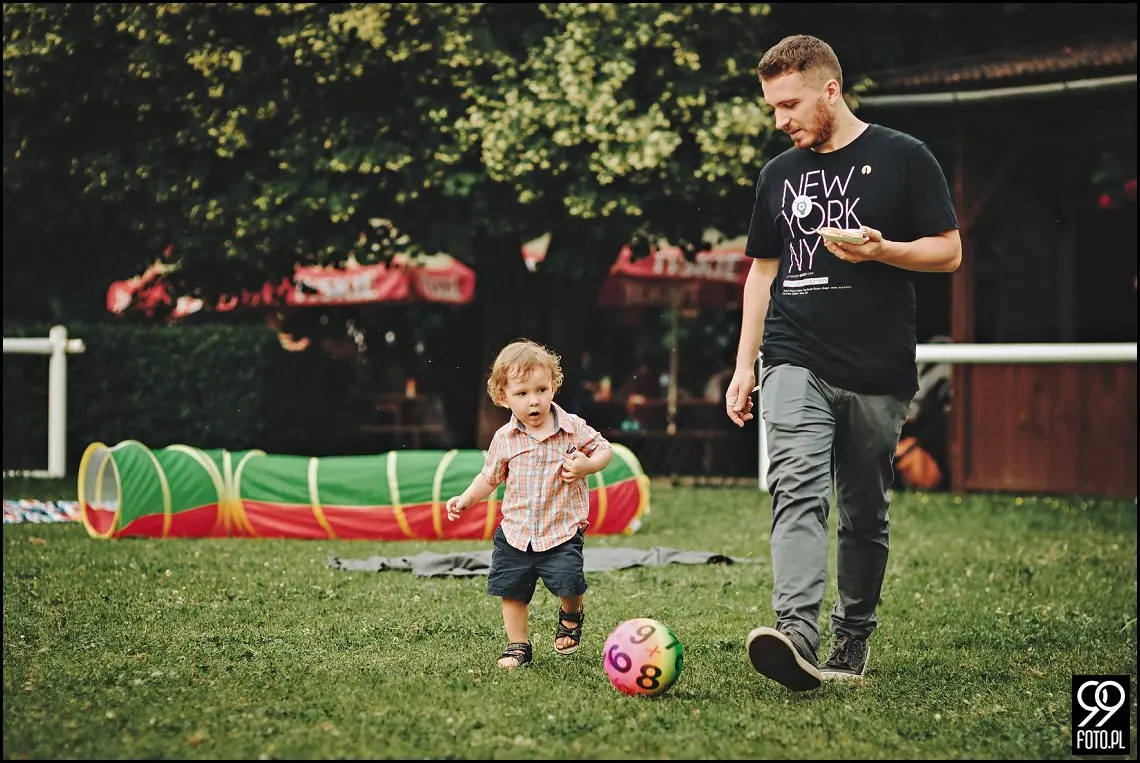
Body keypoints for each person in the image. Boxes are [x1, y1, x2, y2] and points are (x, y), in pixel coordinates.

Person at [724, 35, 962, 691]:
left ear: (830, 89)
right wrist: (746, 364)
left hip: (878, 367)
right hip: (794, 354)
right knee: (796, 489)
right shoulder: (778, 175)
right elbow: (761, 273)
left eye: (790, 104)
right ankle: (795, 634)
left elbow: (948, 252)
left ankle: (851, 635)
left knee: (863, 510)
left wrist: (884, 251)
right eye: (773, 108)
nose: (781, 120)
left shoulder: (903, 158)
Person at [446, 339, 614, 669]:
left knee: (570, 582)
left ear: (553, 386)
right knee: (512, 591)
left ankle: (571, 612)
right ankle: (517, 645)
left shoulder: (573, 428)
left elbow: (605, 449)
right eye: (522, 394)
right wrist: (465, 499)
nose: (533, 401)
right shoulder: (505, 439)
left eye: (541, 390)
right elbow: (489, 477)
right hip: (516, 533)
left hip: (561, 531)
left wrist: (587, 466)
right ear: (503, 397)